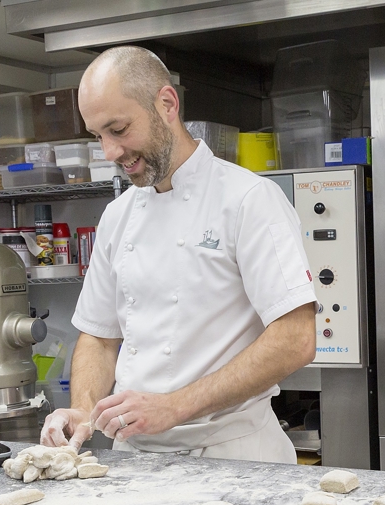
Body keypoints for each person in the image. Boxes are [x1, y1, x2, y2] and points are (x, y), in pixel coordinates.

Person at [39, 46, 317, 463]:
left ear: (167, 104)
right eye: (98, 136)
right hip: (133, 456)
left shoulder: (249, 200)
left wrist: (174, 406)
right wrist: (83, 408)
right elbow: (98, 336)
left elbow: (295, 339)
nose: (110, 152)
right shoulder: (117, 215)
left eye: (119, 129)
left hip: (233, 455)